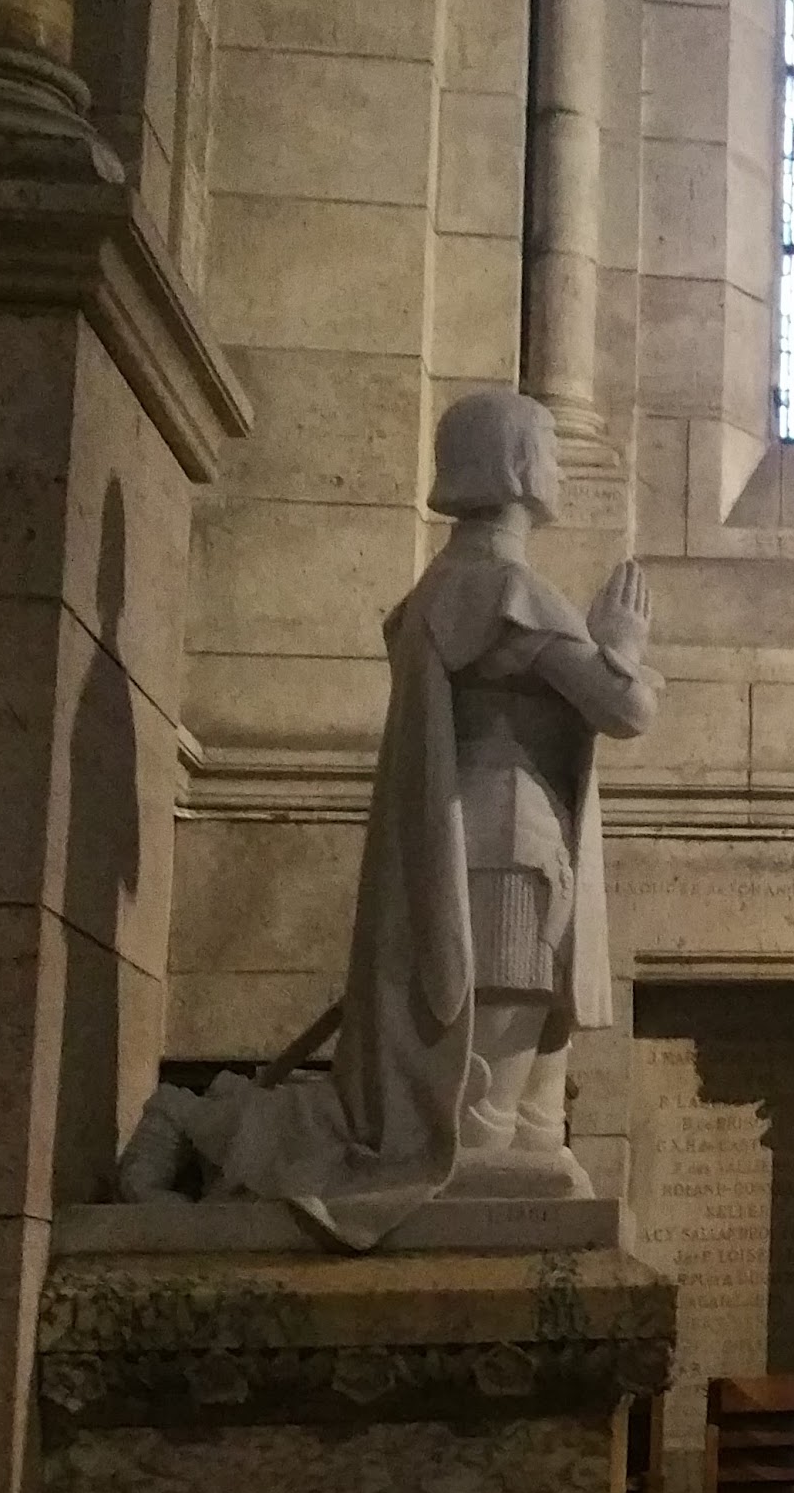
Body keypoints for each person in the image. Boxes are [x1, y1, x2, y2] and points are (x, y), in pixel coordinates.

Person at [118, 392, 661, 1247]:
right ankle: (198, 1123)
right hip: (502, 849)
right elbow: (622, 708)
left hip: (510, 838)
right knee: (471, 1132)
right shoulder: (497, 586)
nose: (559, 468)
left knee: (523, 1129)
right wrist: (622, 641)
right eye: (550, 450)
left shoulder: (451, 583)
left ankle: (201, 1123)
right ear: (516, 464)